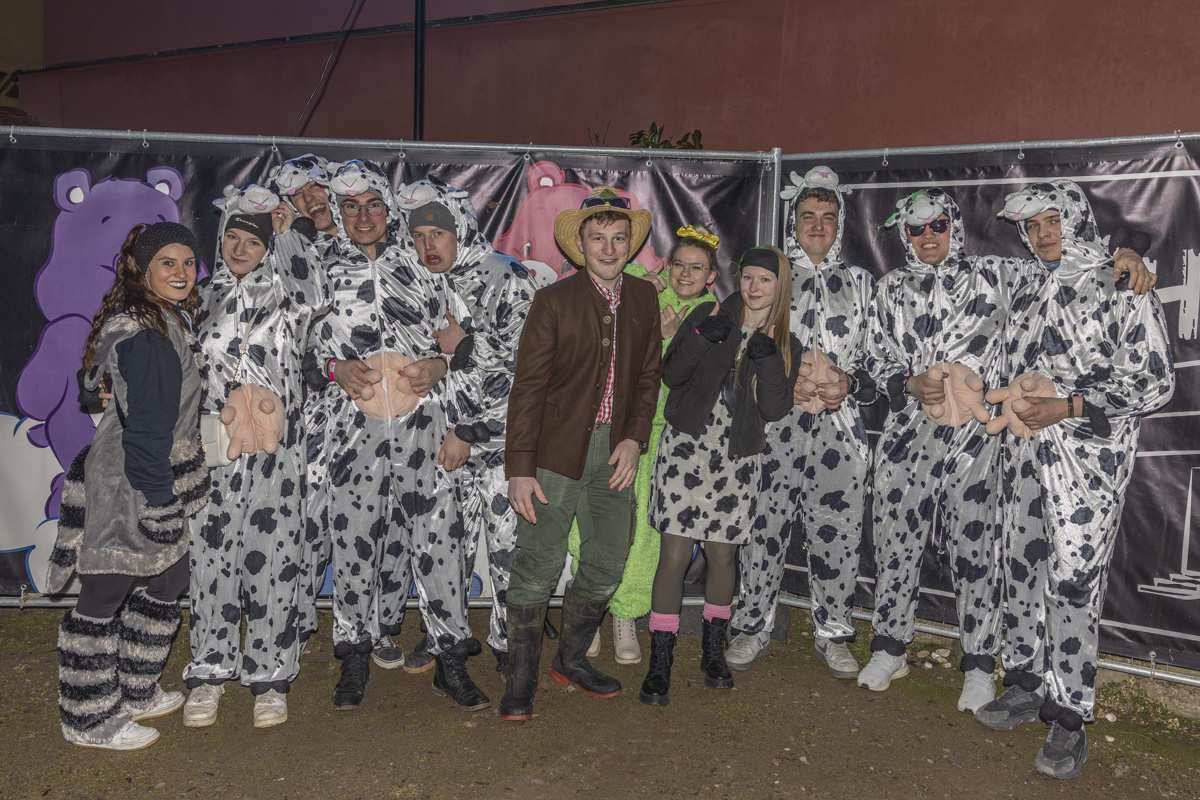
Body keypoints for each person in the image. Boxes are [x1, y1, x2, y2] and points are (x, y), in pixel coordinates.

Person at [861, 188, 1159, 713]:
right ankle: (889, 647)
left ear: (954, 227)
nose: (928, 236)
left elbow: (1080, 262)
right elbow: (872, 359)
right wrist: (908, 384)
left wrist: (1129, 250)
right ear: (904, 235)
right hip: (908, 440)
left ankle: (979, 666)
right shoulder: (889, 290)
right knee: (895, 545)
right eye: (916, 228)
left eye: (938, 225)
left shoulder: (999, 275)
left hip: (983, 442)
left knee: (979, 555)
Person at [976, 180, 1174, 780]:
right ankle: (1027, 682)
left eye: (1053, 220)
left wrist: (1070, 407)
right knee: (1020, 565)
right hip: (1023, 454)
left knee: (1072, 581)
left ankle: (1069, 716)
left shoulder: (1121, 284)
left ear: (1079, 218)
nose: (1042, 234)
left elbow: (1155, 382)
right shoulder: (1028, 287)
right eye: (1032, 225)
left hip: (1087, 466)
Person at [45, 221, 210, 750]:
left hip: (145, 470)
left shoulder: (156, 318)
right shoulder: (148, 331)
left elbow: (94, 383)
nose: (181, 272)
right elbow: (147, 430)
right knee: (103, 594)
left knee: (172, 574)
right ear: (141, 269)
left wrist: (97, 390)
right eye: (168, 263)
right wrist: (159, 502)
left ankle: (135, 687)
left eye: (188, 262)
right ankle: (88, 716)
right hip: (131, 479)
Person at [501, 186, 661, 720]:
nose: (609, 248)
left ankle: (570, 660)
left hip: (615, 453)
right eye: (598, 238)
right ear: (580, 244)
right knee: (539, 564)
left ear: (630, 244)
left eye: (618, 238)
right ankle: (520, 679)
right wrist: (520, 468)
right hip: (555, 452)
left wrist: (635, 439)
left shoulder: (644, 299)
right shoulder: (552, 301)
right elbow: (527, 388)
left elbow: (648, 377)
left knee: (609, 557)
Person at [302, 160, 454, 709]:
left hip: (422, 421)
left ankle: (441, 652)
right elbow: (294, 346)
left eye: (372, 205)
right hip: (350, 425)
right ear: (338, 212)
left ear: (388, 210)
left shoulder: (422, 260)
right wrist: (332, 367)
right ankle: (354, 653)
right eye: (350, 207)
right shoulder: (319, 264)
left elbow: (461, 336)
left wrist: (441, 363)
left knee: (429, 536)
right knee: (354, 538)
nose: (362, 216)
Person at [181, 186, 330, 729]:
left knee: (274, 562)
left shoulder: (289, 294)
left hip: (276, 454)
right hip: (216, 449)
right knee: (210, 562)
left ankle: (270, 677)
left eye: (253, 241)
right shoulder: (200, 297)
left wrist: (286, 235)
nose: (240, 249)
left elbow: (317, 295)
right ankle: (209, 672)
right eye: (232, 239)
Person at [728, 168, 874, 681]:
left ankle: (833, 633)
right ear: (793, 221)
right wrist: (776, 385)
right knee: (763, 527)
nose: (817, 226)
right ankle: (752, 626)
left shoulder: (861, 283)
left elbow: (880, 361)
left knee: (838, 531)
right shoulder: (773, 277)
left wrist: (850, 383)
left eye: (827, 217)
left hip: (841, 430)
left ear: (840, 224)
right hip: (775, 426)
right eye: (808, 216)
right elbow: (739, 345)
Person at [640, 245, 802, 706]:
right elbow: (671, 375)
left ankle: (713, 650)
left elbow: (776, 409)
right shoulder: (709, 314)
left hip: (736, 457)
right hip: (686, 447)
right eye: (748, 277)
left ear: (779, 286)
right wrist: (699, 337)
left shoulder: (787, 341)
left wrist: (768, 359)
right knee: (673, 554)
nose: (754, 287)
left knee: (722, 555)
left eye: (764, 280)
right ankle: (660, 660)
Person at [398, 178, 537, 677]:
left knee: (507, 551)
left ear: (460, 230)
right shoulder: (422, 282)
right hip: (442, 442)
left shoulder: (506, 276)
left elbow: (530, 367)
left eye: (437, 234)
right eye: (419, 237)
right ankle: (444, 638)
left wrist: (471, 428)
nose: (428, 246)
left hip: (499, 445)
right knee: (444, 551)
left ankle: (509, 641)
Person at [568, 223, 720, 666]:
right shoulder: (637, 287)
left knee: (646, 535)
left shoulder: (713, 315)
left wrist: (668, 335)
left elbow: (687, 378)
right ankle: (587, 613)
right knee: (589, 525)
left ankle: (625, 614)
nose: (686, 275)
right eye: (679, 265)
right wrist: (647, 283)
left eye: (697, 268)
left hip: (664, 439)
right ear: (666, 265)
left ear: (711, 276)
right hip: (612, 425)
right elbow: (616, 285)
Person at [268, 154, 339, 653]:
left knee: (378, 517)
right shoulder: (279, 249)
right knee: (305, 514)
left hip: (369, 403)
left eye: (318, 188)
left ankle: (376, 628)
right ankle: (296, 617)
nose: (312, 198)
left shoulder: (373, 245)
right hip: (306, 407)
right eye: (299, 194)